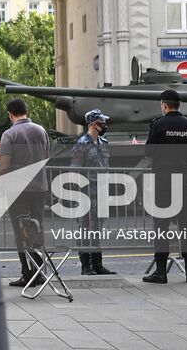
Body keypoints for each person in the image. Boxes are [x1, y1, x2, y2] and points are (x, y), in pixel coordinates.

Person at [141, 90, 187, 284]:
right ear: (179, 104)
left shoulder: (158, 125)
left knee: (161, 225)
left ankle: (161, 271)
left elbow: (149, 151)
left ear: (164, 105)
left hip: (163, 180)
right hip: (183, 178)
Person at [0, 97, 50, 287]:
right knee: (35, 228)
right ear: (26, 111)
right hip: (40, 187)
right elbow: (46, 157)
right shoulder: (41, 130)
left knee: (21, 231)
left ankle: (28, 275)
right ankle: (39, 273)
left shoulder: (9, 134)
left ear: (10, 114)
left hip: (18, 190)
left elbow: (4, 166)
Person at [71, 108, 114, 276]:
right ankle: (85, 265)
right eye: (101, 123)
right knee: (85, 228)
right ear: (92, 124)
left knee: (97, 228)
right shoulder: (82, 144)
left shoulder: (103, 143)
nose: (104, 125)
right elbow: (75, 171)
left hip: (101, 192)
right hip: (86, 193)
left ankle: (97, 264)